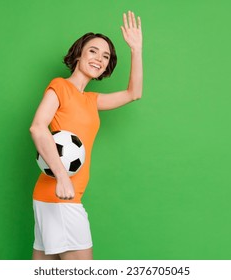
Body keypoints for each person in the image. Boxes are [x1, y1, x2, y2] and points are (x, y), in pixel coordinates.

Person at [29, 10, 142, 260]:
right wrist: (62, 177)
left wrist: (136, 49)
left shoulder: (91, 100)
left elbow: (134, 93)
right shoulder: (60, 86)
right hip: (61, 197)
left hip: (56, 197)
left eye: (106, 56)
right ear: (79, 53)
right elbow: (38, 127)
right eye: (93, 51)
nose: (99, 59)